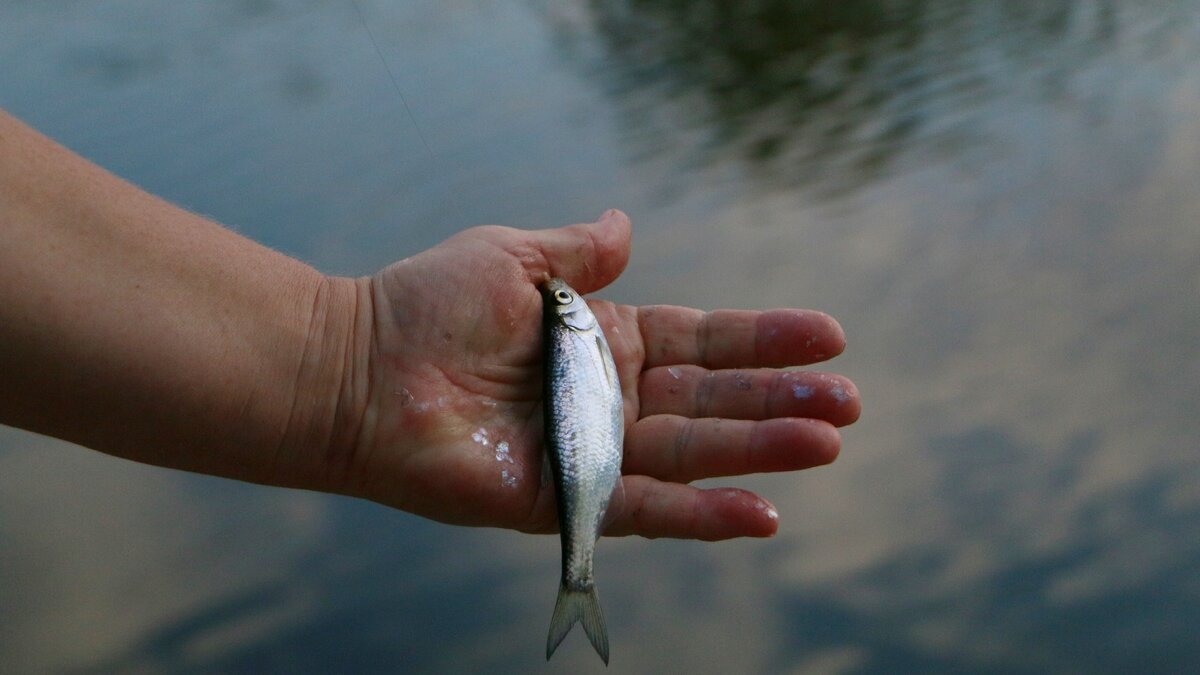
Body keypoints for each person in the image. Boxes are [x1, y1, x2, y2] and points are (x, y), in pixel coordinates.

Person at [0, 108, 859, 540]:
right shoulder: (579, 335)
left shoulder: (572, 338)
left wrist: (348, 358)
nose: (569, 301)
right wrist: (350, 360)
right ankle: (580, 577)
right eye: (567, 301)